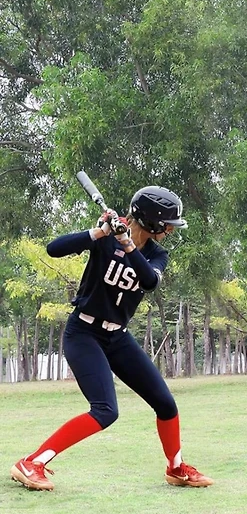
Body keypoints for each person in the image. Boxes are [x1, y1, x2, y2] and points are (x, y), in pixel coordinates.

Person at [10, 185, 213, 491]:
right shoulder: (105, 239)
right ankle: (32, 462)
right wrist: (98, 232)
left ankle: (176, 469)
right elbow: (54, 248)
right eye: (168, 224)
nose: (170, 230)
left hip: (117, 337)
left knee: (166, 405)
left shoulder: (157, 254)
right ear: (153, 221)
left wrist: (128, 244)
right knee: (105, 410)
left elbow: (148, 281)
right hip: (84, 333)